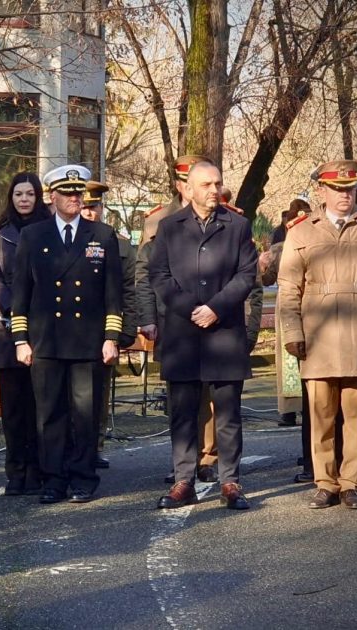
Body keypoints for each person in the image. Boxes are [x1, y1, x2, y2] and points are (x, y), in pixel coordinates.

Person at [277, 159, 357, 509]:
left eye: (350, 188)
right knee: (320, 416)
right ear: (321, 191)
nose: (344, 194)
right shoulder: (301, 232)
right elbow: (288, 288)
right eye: (336, 189)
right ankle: (324, 481)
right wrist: (292, 332)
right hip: (317, 338)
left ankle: (351, 483)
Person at [149, 162, 257, 510]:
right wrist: (189, 307)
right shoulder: (169, 227)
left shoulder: (237, 225)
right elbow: (159, 276)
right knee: (182, 413)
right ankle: (184, 480)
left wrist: (216, 307)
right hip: (182, 334)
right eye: (206, 184)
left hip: (223, 332)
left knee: (227, 413)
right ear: (189, 189)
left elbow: (246, 275)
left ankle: (231, 481)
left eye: (218, 183)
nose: (214, 189)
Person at [12, 164, 123, 504]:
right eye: (67, 193)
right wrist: (20, 338)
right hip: (46, 340)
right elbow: (21, 291)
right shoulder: (34, 236)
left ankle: (83, 477)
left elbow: (113, 293)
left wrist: (111, 337)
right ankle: (54, 478)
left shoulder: (102, 235)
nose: (74, 199)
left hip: (87, 341)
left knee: (85, 414)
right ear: (52, 197)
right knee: (50, 415)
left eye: (78, 193)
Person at [135, 155, 219, 483]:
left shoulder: (224, 217)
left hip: (213, 318)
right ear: (180, 185)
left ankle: (208, 457)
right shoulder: (158, 222)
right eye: (187, 182)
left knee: (209, 392)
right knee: (179, 394)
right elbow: (144, 273)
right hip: (170, 317)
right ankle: (182, 457)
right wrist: (147, 317)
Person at [0, 172, 50, 495]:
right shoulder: (0, 231)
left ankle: (38, 469)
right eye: (18, 194)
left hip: (42, 326)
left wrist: (33, 310)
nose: (23, 200)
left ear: (38, 197)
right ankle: (16, 471)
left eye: (29, 194)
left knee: (39, 404)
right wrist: (14, 307)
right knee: (12, 407)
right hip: (6, 326)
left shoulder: (49, 227)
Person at [81, 179, 137, 468]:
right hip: (76, 328)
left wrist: (126, 330)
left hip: (106, 328)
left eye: (95, 207)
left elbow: (129, 288)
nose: (90, 212)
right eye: (86, 206)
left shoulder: (120, 244)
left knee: (100, 391)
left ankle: (95, 444)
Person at [259, 197, 311, 428]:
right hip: (301, 302)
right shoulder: (283, 248)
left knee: (293, 357)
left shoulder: (280, 247)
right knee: (295, 357)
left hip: (296, 302)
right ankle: (297, 407)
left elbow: (266, 279)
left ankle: (290, 411)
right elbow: (267, 277)